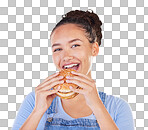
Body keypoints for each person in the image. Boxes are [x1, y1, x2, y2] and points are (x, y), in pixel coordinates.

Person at [12, 10, 135, 130]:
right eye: (58, 49)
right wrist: (37, 111)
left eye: (75, 45)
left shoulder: (117, 107)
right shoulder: (36, 100)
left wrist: (97, 106)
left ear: (94, 49)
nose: (66, 56)